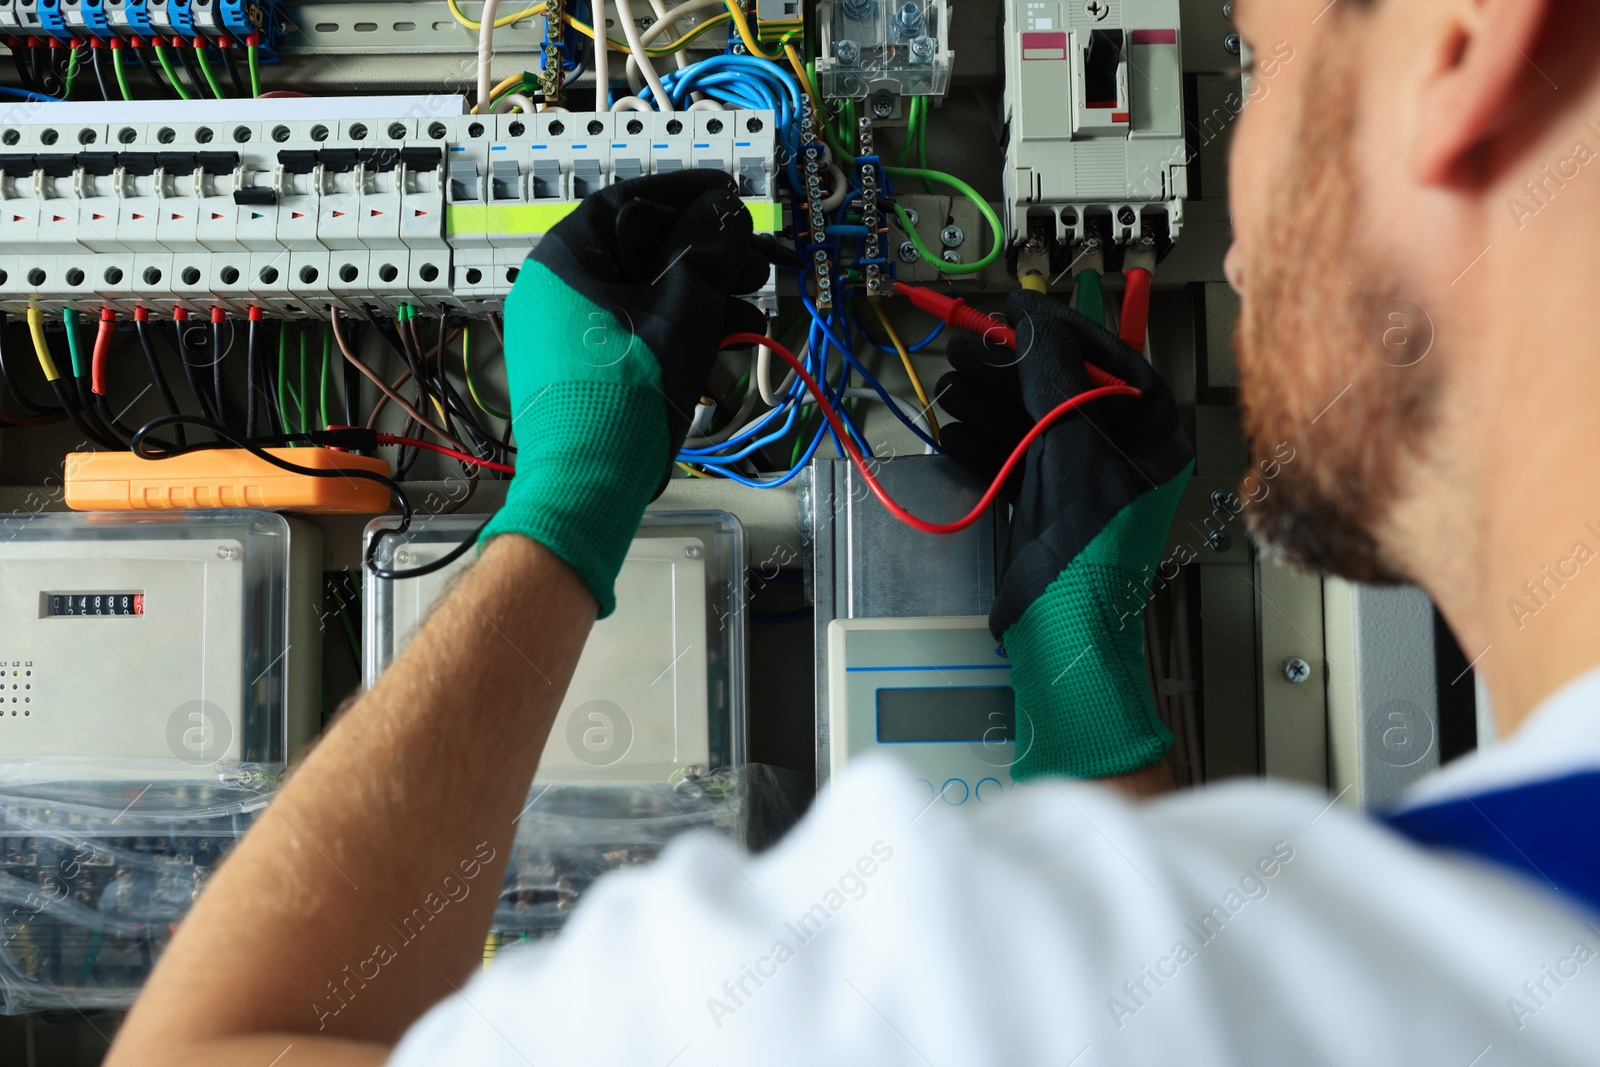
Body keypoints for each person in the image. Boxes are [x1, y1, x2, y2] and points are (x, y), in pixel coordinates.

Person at [114, 0, 1600, 1062]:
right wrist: (1086, 690)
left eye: (1263, 62)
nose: (1232, 183)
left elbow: (217, 1045)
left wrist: (564, 509)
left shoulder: (956, 990)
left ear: (1464, 48)